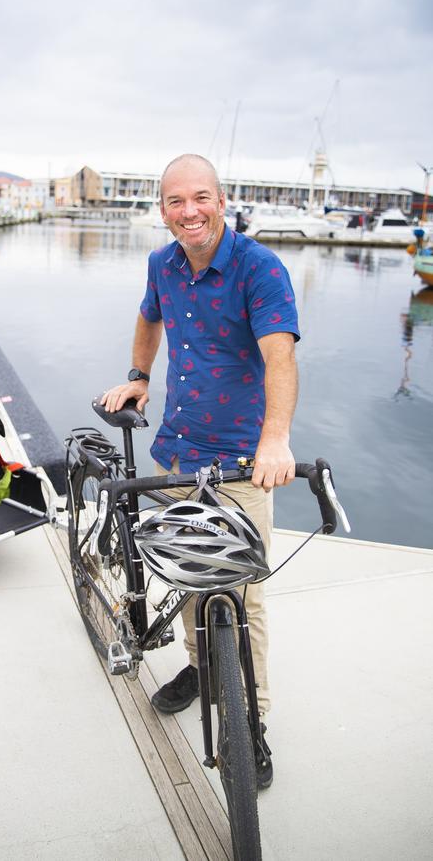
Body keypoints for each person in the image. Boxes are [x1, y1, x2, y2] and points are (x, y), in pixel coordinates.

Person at [101, 153, 299, 789]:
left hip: (243, 460)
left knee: (243, 599)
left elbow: (280, 361)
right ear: (163, 210)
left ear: (221, 199)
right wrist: (138, 376)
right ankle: (198, 665)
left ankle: (251, 725)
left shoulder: (259, 268)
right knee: (189, 571)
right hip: (180, 449)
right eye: (176, 202)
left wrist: (275, 441)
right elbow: (147, 315)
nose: (190, 212)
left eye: (201, 198)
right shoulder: (162, 264)